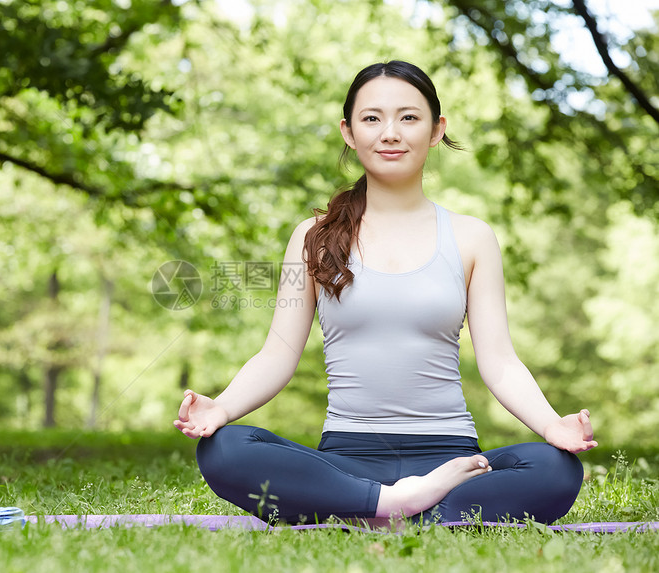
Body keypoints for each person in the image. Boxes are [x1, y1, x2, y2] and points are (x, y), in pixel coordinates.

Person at [173, 61, 597, 526]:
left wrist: (552, 424)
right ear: (349, 132)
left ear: (437, 130)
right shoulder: (311, 237)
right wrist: (223, 407)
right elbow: (278, 352)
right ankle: (398, 506)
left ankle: (371, 510)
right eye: (372, 118)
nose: (390, 133)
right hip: (346, 459)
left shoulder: (473, 238)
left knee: (555, 468)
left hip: (451, 463)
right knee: (226, 449)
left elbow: (499, 362)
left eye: (409, 117)